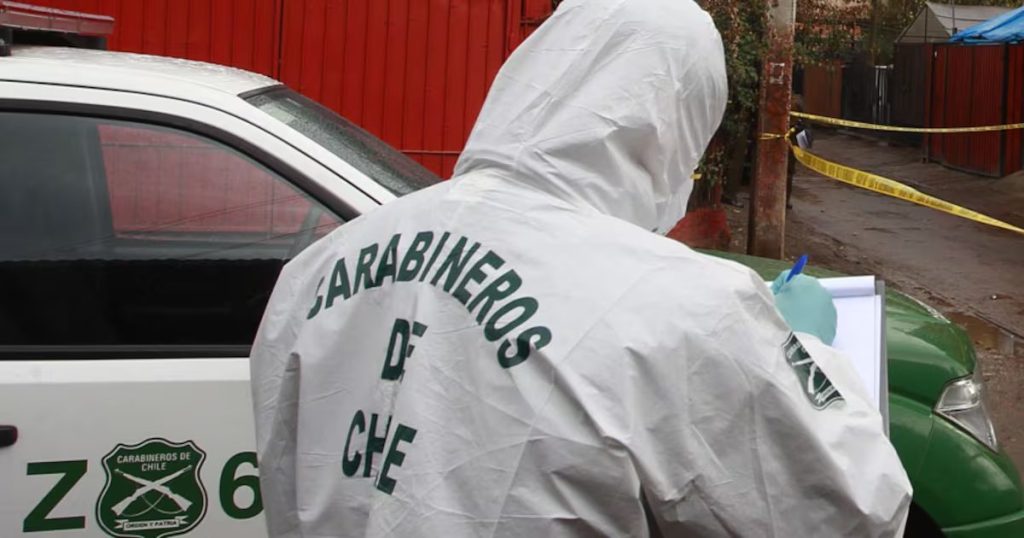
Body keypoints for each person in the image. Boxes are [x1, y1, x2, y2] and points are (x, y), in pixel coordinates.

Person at [250, 0, 912, 536]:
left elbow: (287, 482)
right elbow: (857, 507)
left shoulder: (315, 272)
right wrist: (809, 353)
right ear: (675, 118)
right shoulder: (687, 308)